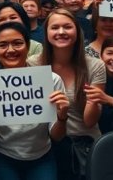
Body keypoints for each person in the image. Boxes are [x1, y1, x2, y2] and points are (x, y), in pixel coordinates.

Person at [0, 22, 69, 180]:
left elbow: (57, 136)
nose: (11, 50)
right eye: (3, 45)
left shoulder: (51, 80)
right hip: (2, 155)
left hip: (42, 156)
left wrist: (62, 117)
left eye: (18, 43)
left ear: (28, 47)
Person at [28, 9, 106, 180]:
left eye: (67, 27)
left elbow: (90, 121)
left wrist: (92, 99)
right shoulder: (32, 64)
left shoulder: (96, 66)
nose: (61, 32)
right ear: (46, 32)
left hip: (83, 145)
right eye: (55, 27)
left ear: (77, 31)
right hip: (48, 146)